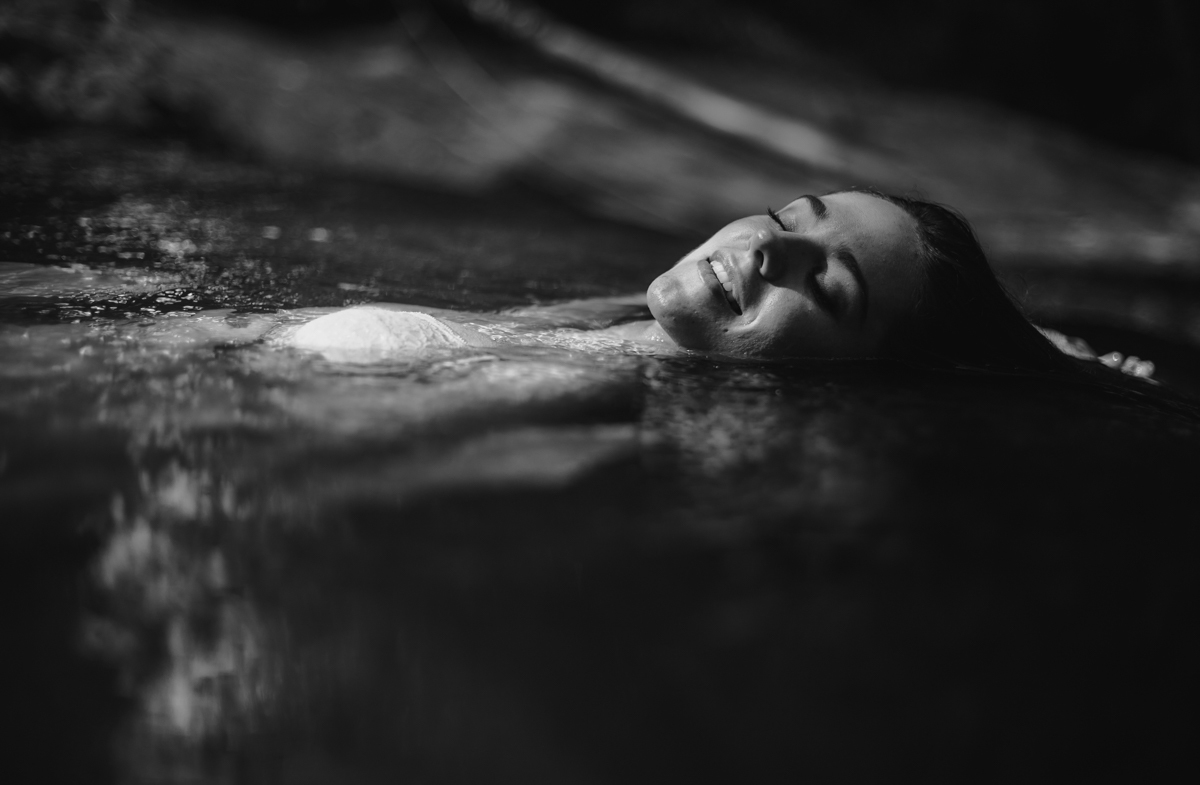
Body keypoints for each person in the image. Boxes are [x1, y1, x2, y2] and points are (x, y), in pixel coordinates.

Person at [290, 189, 1154, 380]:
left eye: (828, 284)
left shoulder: (624, 409)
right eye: (785, 220)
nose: (767, 254)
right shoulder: (620, 333)